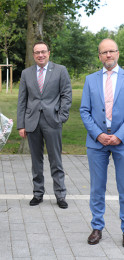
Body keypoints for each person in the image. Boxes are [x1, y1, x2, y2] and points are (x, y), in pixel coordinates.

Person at [17, 41, 72, 209]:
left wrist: (61, 117)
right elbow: (22, 100)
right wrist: (21, 124)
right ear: (33, 55)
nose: (40, 55)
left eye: (43, 51)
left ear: (49, 52)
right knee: (36, 161)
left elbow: (66, 95)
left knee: (56, 160)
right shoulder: (27, 73)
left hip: (53, 121)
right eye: (37, 52)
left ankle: (60, 195)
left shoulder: (60, 70)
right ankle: (38, 193)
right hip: (32, 122)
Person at [80, 38, 124, 246]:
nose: (108, 55)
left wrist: (119, 135)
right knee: (97, 187)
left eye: (112, 51)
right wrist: (98, 134)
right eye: (104, 52)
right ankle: (97, 227)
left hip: (121, 141)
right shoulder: (90, 79)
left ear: (118, 53)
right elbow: (84, 110)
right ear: (99, 55)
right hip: (97, 142)